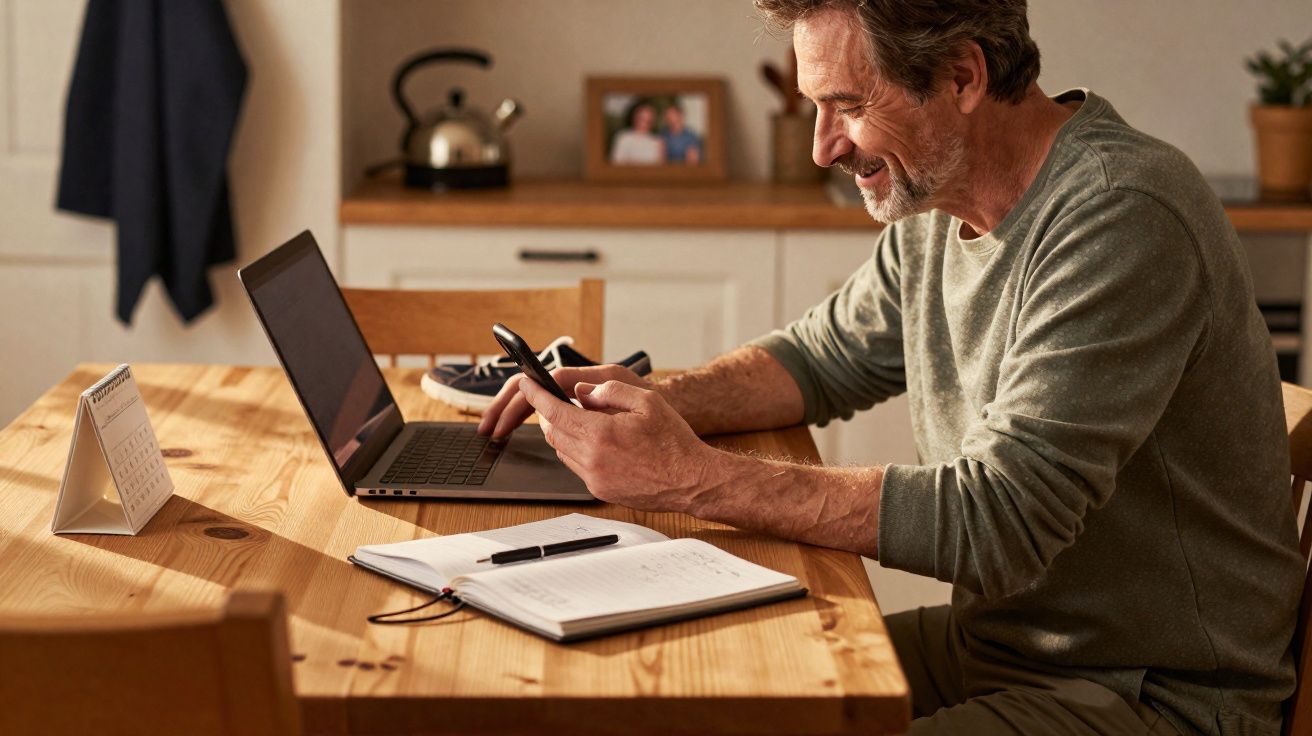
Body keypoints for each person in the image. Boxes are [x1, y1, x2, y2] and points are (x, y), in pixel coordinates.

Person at [480, 1, 1304, 733]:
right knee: (698, 693)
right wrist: (648, 398)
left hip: (1152, 694)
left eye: (846, 106)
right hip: (997, 648)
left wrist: (689, 476)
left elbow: (1001, 521)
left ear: (962, 74)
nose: (821, 146)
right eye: (815, 106)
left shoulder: (1121, 215)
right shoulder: (936, 199)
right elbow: (820, 359)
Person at [609, 99, 663, 165]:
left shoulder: (656, 141)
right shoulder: (623, 137)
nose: (644, 122)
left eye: (647, 119)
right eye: (641, 118)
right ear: (634, 117)